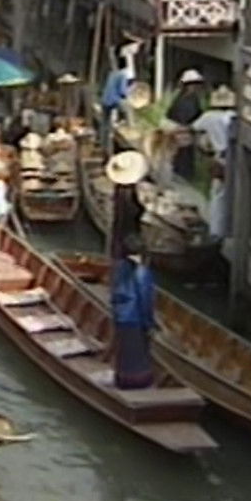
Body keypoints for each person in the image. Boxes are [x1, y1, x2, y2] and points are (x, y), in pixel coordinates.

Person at [110, 234, 156, 390]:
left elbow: (115, 295)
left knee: (124, 357)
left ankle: (122, 385)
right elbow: (145, 300)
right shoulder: (142, 272)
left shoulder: (120, 267)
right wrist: (149, 323)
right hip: (135, 319)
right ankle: (138, 388)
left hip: (121, 317)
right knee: (138, 359)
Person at [191, 85, 236, 239]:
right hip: (236, 157)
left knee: (218, 195)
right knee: (233, 195)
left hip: (221, 157)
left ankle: (217, 232)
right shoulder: (235, 116)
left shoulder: (209, 117)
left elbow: (193, 128)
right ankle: (229, 230)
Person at [105, 150, 148, 260]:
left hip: (121, 234)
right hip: (128, 234)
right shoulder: (129, 192)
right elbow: (134, 212)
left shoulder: (119, 190)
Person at [166, 69, 205, 181]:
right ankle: (182, 179)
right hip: (182, 131)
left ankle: (182, 178)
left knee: (184, 157)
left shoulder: (187, 98)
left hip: (183, 131)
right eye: (194, 85)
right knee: (183, 157)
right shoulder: (186, 100)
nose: (196, 88)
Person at [99, 55, 132, 152]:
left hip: (105, 100)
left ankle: (103, 145)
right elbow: (122, 91)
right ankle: (125, 129)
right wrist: (129, 91)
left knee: (105, 124)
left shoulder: (112, 73)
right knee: (127, 112)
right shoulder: (123, 75)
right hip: (114, 101)